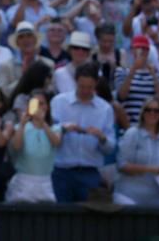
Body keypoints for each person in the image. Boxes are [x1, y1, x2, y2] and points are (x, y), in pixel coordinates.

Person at [50, 63, 116, 203]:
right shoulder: (58, 102)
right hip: (62, 172)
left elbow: (110, 148)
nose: (85, 91)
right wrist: (62, 129)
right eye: (81, 86)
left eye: (90, 87)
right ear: (75, 81)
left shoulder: (105, 109)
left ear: (96, 83)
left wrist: (101, 137)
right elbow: (49, 137)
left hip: (89, 173)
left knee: (88, 222)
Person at [114, 97, 159, 206]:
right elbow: (122, 165)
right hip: (129, 197)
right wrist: (149, 168)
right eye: (148, 110)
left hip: (156, 199)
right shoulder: (133, 133)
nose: (152, 113)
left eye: (156, 110)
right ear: (143, 112)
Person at [6, 89, 61, 203]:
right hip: (23, 183)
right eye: (36, 104)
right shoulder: (19, 127)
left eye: (42, 103)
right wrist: (22, 123)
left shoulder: (55, 128)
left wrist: (43, 123)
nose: (39, 107)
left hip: (45, 182)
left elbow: (56, 142)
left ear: (48, 106)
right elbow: (16, 146)